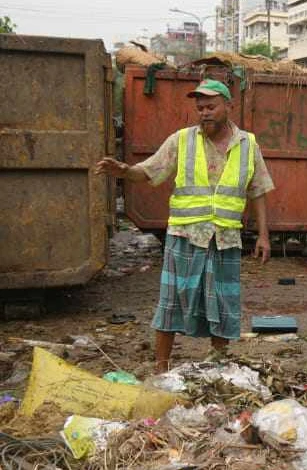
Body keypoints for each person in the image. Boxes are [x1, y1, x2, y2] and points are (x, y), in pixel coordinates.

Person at [95, 79, 273, 371]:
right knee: (171, 303)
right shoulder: (182, 140)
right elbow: (150, 171)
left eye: (211, 106)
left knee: (222, 304)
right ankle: (161, 368)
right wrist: (124, 171)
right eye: (200, 108)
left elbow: (259, 190)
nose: (204, 112)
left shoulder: (248, 144)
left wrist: (263, 235)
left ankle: (217, 365)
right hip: (185, 236)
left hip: (225, 239)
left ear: (229, 106)